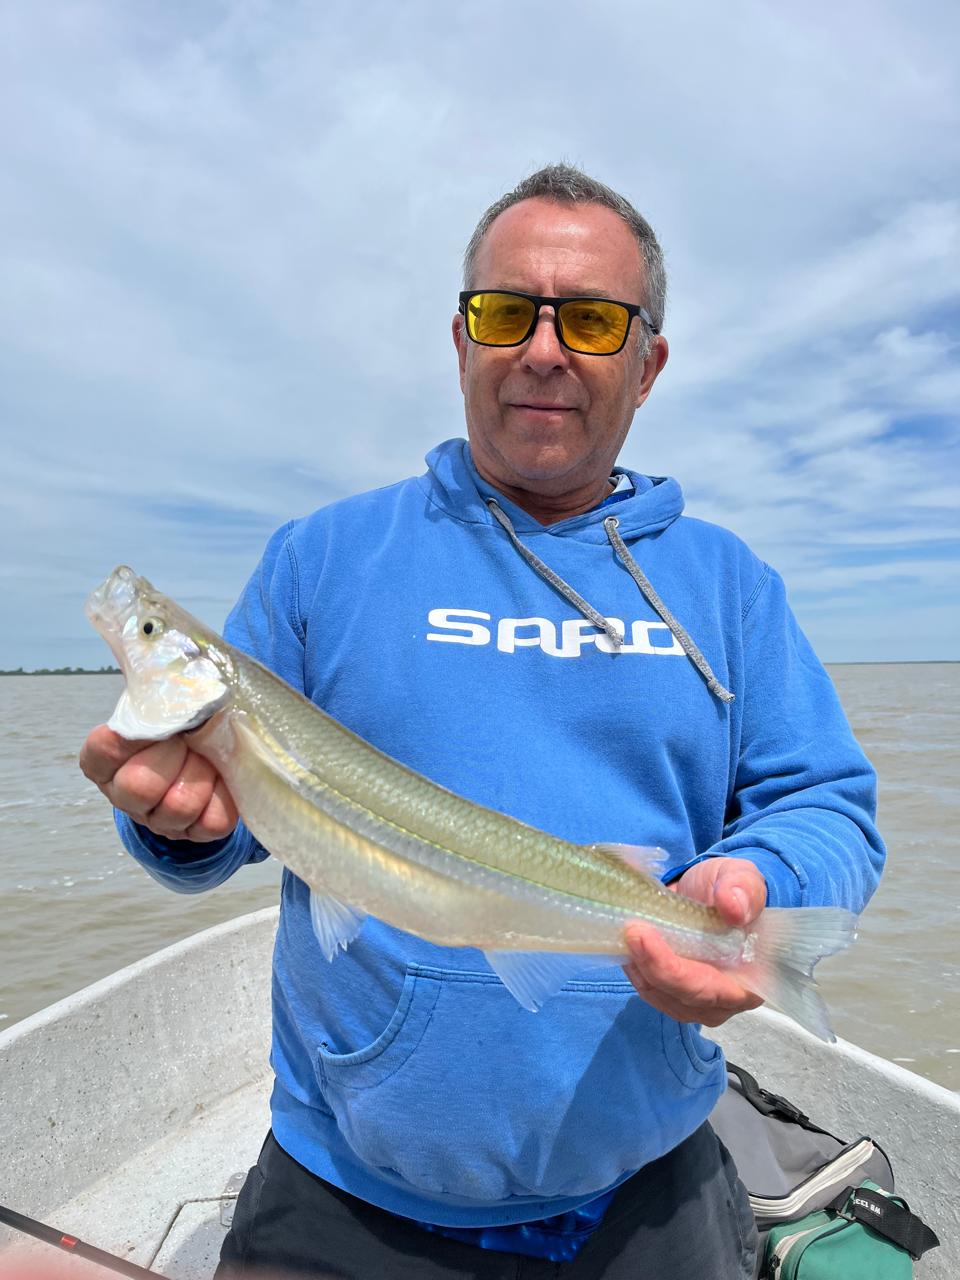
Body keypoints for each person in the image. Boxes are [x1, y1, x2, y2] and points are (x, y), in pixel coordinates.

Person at [80, 164, 885, 1279]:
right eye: (507, 312)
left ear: (647, 365)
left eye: (592, 320)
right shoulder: (324, 557)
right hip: (343, 1186)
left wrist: (756, 889)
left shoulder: (730, 584)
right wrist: (180, 825)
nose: (544, 349)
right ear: (460, 343)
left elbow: (824, 803)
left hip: (646, 1182)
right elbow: (232, 830)